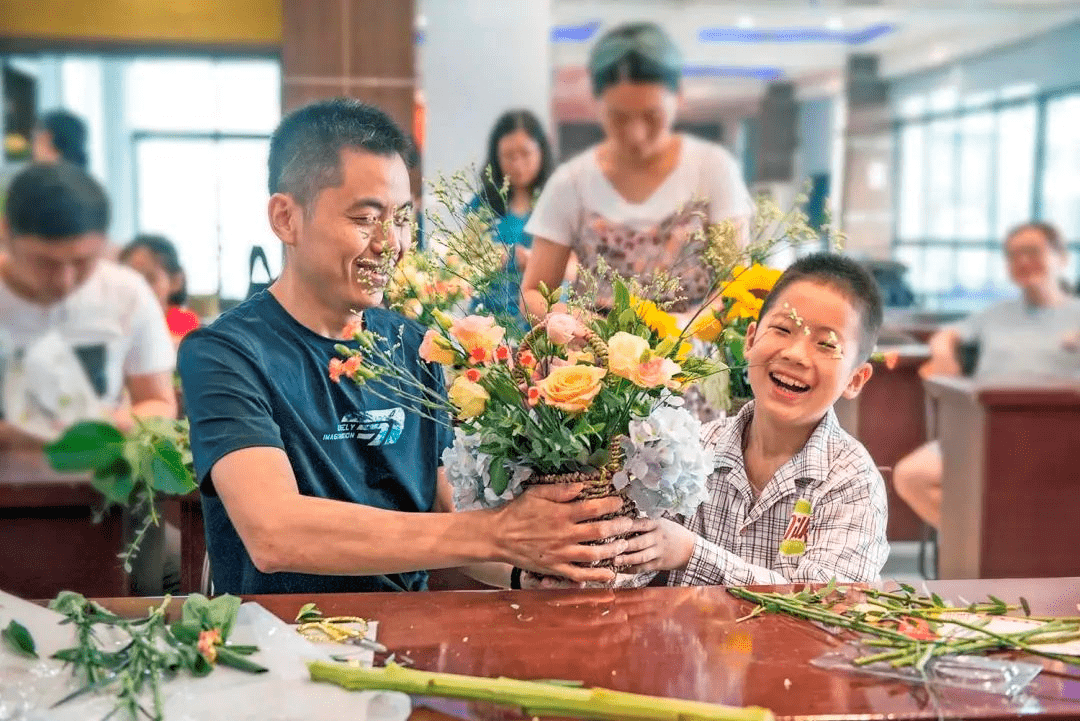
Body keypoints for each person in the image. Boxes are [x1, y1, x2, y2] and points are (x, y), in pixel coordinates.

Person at [177, 98, 637, 596]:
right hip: (283, 643)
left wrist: (531, 572)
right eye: (365, 218)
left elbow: (445, 514)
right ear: (286, 219)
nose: (390, 242)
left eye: (400, 219)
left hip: (404, 641)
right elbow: (275, 532)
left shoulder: (415, 346)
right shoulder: (226, 354)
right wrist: (497, 531)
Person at [613, 253, 891, 585]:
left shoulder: (851, 480)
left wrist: (692, 553)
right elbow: (629, 567)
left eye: (826, 344)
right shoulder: (692, 449)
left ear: (855, 379)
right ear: (750, 339)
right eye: (783, 329)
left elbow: (827, 601)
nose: (795, 354)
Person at [521, 21, 752, 322]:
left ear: (678, 95)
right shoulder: (571, 182)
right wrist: (575, 320)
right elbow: (533, 294)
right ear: (596, 103)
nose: (636, 135)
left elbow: (737, 285)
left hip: (694, 352)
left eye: (651, 115)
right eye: (618, 117)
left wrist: (682, 331)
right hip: (593, 354)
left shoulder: (712, 169)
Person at [893, 222, 1080, 529]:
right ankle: (983, 542)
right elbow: (946, 335)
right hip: (980, 434)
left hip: (1055, 440)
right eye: (1013, 255)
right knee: (911, 475)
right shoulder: (994, 314)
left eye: (1032, 251)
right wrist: (943, 354)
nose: (1022, 261)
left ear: (1062, 258)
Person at [0, 163, 177, 449]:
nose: (65, 281)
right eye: (46, 262)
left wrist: (109, 425)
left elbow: (157, 403)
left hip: (95, 486)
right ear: (5, 231)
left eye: (83, 262)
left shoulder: (127, 293)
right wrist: (17, 436)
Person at [469, 109, 553, 328]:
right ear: (496, 157)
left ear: (541, 151)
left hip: (542, 319)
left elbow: (576, 265)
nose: (517, 164)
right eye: (509, 156)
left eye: (525, 154)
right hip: (489, 317)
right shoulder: (483, 203)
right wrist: (504, 257)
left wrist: (538, 262)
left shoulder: (556, 202)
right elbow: (466, 258)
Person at [120, 234, 200, 343]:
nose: (138, 288)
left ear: (175, 281)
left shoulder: (183, 320)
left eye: (150, 279)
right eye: (130, 279)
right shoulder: (118, 320)